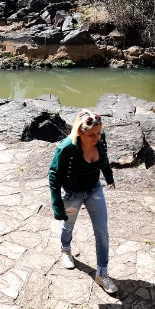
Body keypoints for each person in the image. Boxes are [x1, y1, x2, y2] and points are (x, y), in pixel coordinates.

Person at [48, 109, 118, 294]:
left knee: (102, 232)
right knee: (68, 224)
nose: (97, 137)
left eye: (99, 132)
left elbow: (103, 158)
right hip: (72, 194)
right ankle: (66, 250)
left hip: (94, 189)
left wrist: (109, 177)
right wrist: (56, 204)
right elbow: (54, 175)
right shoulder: (66, 147)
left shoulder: (99, 138)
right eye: (92, 134)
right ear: (80, 132)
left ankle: (102, 273)